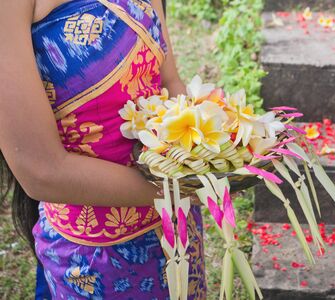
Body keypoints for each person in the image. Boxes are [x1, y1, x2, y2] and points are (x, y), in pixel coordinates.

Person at [0, 0, 206, 299]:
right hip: (94, 258)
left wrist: (211, 156)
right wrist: (190, 188)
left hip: (176, 222)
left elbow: (168, 80)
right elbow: (41, 172)